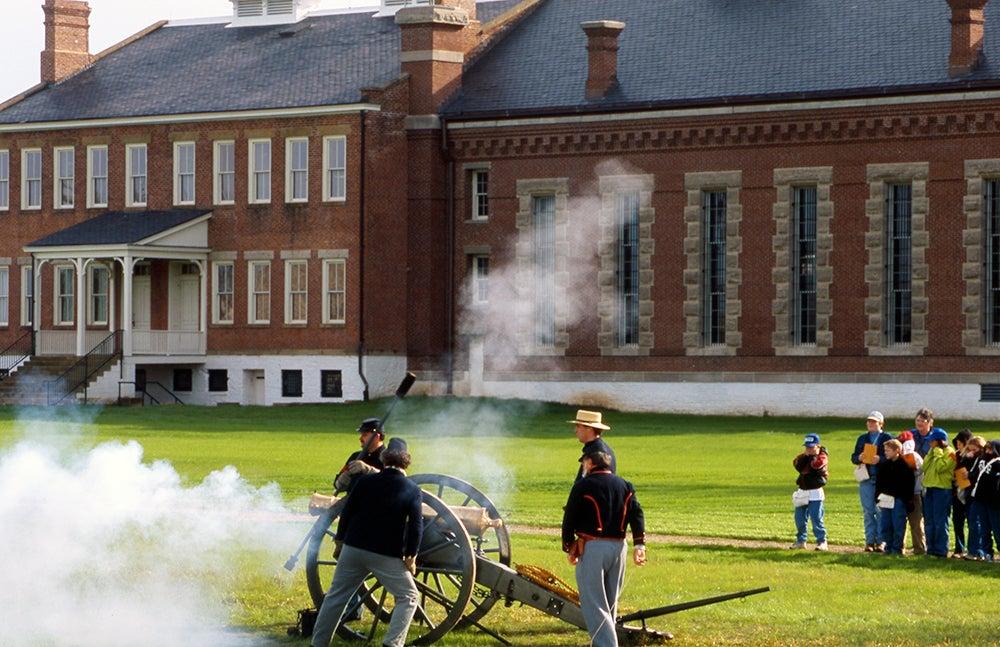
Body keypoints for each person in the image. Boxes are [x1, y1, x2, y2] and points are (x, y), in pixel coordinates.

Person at [311, 438, 422, 647]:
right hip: (385, 553)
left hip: (353, 548)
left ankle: (318, 644)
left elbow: (346, 514)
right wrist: (412, 556)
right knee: (408, 596)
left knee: (335, 597)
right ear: (406, 463)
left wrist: (339, 541)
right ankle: (392, 644)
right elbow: (416, 527)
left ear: (384, 458)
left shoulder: (365, 482)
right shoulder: (412, 489)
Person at [562, 451, 646, 647]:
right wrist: (639, 544)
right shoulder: (625, 485)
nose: (583, 466)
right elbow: (637, 514)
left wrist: (569, 546)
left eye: (584, 463)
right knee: (609, 604)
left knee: (594, 604)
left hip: (593, 548)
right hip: (619, 548)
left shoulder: (583, 485)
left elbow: (570, 517)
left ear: (590, 463)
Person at [901, 407, 945, 555]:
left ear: (930, 422)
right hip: (909, 479)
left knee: (926, 517)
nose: (919, 423)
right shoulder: (910, 435)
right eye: (917, 420)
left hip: (928, 479)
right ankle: (903, 547)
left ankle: (925, 548)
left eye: (923, 421)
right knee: (909, 515)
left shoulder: (936, 436)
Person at [851, 411, 893, 552]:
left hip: (883, 479)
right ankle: (869, 541)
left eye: (874, 421)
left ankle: (882, 541)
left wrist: (880, 459)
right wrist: (859, 457)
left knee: (881, 510)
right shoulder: (862, 438)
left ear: (881, 424)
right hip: (866, 479)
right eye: (869, 421)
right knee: (868, 511)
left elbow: (893, 456)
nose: (870, 424)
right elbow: (853, 457)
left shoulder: (887, 437)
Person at [875, 440, 916, 556]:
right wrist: (877, 497)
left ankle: (897, 548)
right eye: (885, 450)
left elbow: (909, 485)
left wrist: (907, 500)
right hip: (885, 499)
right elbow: (879, 483)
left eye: (888, 450)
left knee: (898, 524)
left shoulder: (905, 465)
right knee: (885, 524)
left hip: (899, 499)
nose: (885, 453)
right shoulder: (884, 465)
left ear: (897, 450)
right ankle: (888, 547)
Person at [921, 429, 957, 558]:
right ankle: (931, 549)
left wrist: (937, 453)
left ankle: (941, 550)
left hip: (942, 490)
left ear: (939, 441)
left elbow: (940, 468)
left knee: (940, 521)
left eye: (932, 441)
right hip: (929, 488)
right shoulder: (932, 451)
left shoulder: (951, 453)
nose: (930, 443)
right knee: (929, 520)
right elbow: (923, 467)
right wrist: (931, 454)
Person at [789, 433, 829, 551]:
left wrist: (813, 456)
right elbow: (797, 465)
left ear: (818, 446)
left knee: (816, 519)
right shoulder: (804, 456)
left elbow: (816, 465)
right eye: (807, 447)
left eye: (812, 447)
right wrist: (806, 456)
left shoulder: (822, 457)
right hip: (803, 491)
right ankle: (801, 540)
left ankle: (822, 541)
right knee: (799, 519)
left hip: (815, 492)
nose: (809, 449)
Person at [333, 418, 386, 493]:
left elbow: (391, 482)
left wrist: (368, 470)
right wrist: (340, 482)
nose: (360, 438)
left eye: (365, 435)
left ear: (376, 437)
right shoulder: (356, 456)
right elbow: (336, 483)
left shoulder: (389, 458)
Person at [968, 438, 1000, 561]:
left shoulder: (998, 463)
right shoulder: (982, 459)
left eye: (991, 449)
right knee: (984, 528)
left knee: (997, 528)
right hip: (980, 499)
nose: (987, 451)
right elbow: (975, 474)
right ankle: (988, 553)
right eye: (986, 448)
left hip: (994, 502)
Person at [569, 409, 617, 481]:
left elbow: (598, 482)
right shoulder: (595, 447)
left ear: (589, 428)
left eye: (578, 426)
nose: (575, 430)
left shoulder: (597, 452)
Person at [951, 429, 974, 558]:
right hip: (957, 492)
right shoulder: (956, 455)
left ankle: (973, 549)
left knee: (972, 522)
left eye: (960, 444)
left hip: (970, 493)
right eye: (957, 444)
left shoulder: (974, 456)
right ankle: (959, 548)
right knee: (957, 521)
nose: (958, 447)